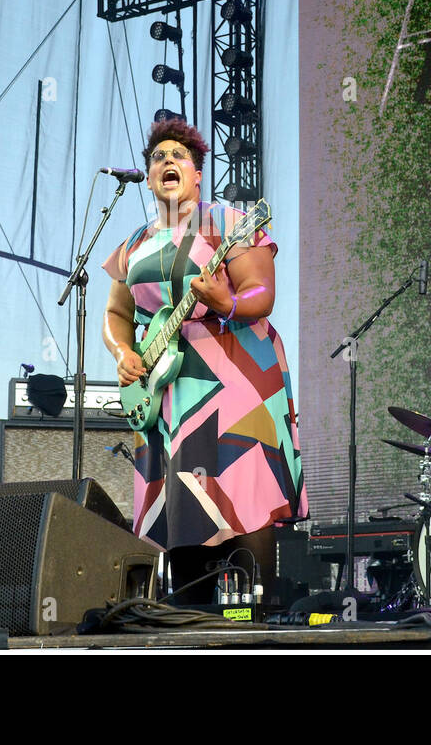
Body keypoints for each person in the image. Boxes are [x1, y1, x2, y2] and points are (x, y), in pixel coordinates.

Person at [102, 118, 307, 603]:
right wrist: (124, 351)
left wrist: (226, 301)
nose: (166, 162)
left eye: (179, 156)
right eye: (157, 157)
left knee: (243, 492)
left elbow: (262, 292)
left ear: (197, 175)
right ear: (150, 178)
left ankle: (257, 617)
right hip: (164, 391)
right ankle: (189, 620)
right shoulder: (134, 243)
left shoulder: (229, 222)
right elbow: (116, 311)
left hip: (234, 375)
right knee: (180, 507)